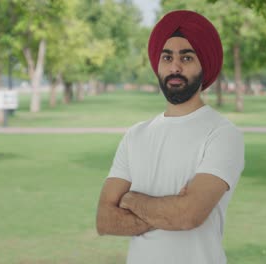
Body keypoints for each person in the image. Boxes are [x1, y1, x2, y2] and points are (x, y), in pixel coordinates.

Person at [96, 10, 245, 264]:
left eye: (186, 57)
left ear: (204, 65)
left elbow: (187, 216)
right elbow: (104, 219)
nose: (175, 67)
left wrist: (130, 199)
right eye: (167, 57)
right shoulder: (136, 135)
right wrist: (168, 211)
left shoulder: (222, 134)